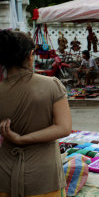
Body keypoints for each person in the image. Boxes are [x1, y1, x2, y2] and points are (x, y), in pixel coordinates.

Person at [0, 29, 72, 197]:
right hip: (43, 176)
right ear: (30, 55)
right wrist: (22, 139)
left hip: (4, 172)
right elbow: (64, 128)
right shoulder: (51, 85)